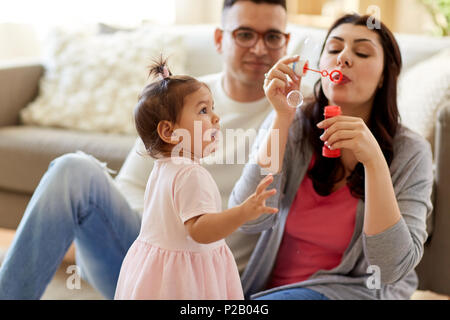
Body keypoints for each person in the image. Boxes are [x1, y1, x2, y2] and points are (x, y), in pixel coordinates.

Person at [0, 0, 299, 299]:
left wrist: (284, 115)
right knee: (72, 169)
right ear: (220, 39)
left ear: (286, 42)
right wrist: (170, 235)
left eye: (272, 37)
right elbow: (130, 185)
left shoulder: (294, 111)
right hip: (157, 269)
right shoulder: (184, 98)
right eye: (245, 34)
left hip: (217, 281)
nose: (259, 49)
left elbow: (267, 205)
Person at [229, 13, 434, 300]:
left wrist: (374, 162)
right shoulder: (293, 123)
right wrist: (281, 119)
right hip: (268, 292)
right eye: (334, 49)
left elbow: (390, 269)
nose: (344, 58)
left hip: (350, 293)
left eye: (362, 52)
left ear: (384, 77)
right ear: (320, 65)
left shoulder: (411, 152)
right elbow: (247, 219)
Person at [114, 59, 278, 299]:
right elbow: (201, 231)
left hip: (155, 269)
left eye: (212, 108)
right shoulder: (191, 174)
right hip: (183, 279)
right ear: (169, 132)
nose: (216, 118)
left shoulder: (163, 168)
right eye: (203, 110)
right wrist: (244, 212)